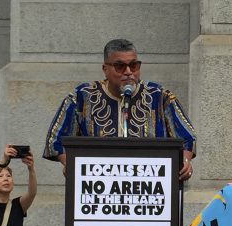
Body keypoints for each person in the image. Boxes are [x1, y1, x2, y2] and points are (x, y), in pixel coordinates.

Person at [43, 38, 196, 180]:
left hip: (150, 189)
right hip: (98, 190)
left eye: (134, 65)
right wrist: (70, 164)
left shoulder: (159, 96)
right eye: (120, 66)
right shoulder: (82, 96)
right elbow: (55, 140)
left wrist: (185, 161)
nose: (128, 71)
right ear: (105, 69)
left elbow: (187, 138)